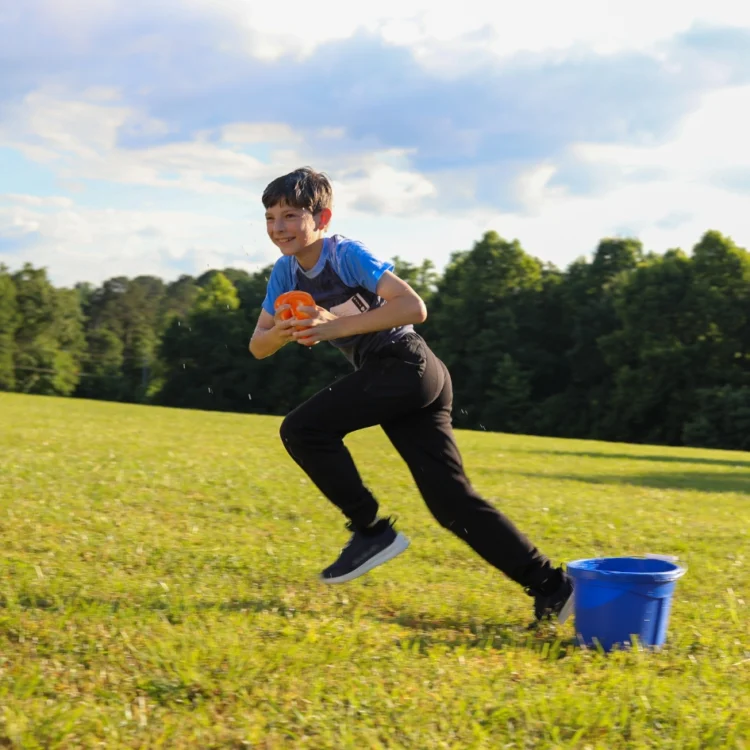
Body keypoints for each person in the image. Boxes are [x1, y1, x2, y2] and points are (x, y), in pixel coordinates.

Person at [249, 167, 573, 625]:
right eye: (269, 217)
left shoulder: (344, 255)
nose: (278, 228)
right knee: (451, 504)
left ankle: (371, 531)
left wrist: (330, 328)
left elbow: (412, 307)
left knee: (303, 429)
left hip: (406, 365)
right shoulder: (285, 274)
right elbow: (257, 346)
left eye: (290, 215)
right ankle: (553, 587)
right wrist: (281, 333)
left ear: (321, 216)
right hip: (399, 379)